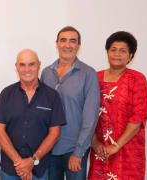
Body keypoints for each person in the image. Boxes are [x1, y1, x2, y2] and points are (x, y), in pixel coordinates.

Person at [0, 49, 66, 180]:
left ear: (39, 64)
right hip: (10, 168)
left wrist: (32, 161)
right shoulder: (6, 94)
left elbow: (55, 134)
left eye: (31, 64)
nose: (27, 69)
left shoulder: (52, 96)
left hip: (39, 169)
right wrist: (20, 163)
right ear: (16, 67)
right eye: (22, 64)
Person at [88, 31, 147, 180]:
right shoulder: (94, 78)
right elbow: (86, 114)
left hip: (127, 151)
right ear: (107, 52)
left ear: (130, 56)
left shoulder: (137, 80)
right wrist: (95, 142)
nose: (117, 54)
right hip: (100, 150)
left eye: (123, 51)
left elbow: (138, 118)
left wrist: (116, 146)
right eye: (113, 49)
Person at [41, 26, 100, 180]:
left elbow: (91, 116)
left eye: (72, 41)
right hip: (49, 148)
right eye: (63, 40)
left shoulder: (88, 74)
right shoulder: (46, 73)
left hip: (74, 149)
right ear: (57, 43)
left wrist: (78, 152)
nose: (67, 45)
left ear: (78, 46)